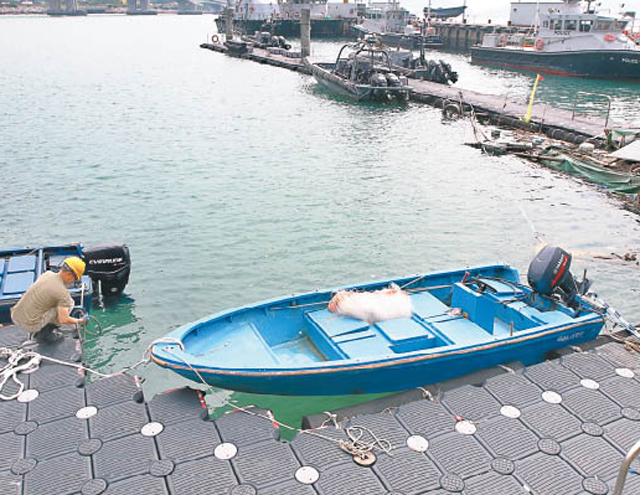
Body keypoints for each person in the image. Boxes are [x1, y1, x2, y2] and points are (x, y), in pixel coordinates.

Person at [11, 256, 88, 341]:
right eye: (75, 278)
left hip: (16, 315)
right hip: (30, 325)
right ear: (69, 274)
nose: (73, 281)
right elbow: (64, 320)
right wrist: (81, 321)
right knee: (69, 303)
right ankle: (46, 334)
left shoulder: (47, 274)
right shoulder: (62, 293)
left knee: (59, 302)